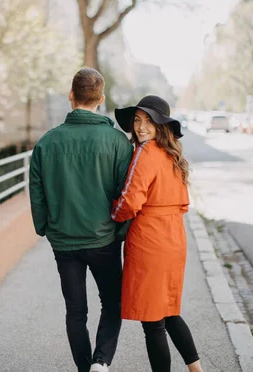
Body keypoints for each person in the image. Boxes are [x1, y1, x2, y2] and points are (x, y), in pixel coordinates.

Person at [29, 68, 134, 372]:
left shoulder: (47, 143)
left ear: (71, 96)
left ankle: (85, 368)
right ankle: (101, 362)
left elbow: (36, 192)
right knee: (111, 303)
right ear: (101, 99)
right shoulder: (116, 142)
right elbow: (126, 193)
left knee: (76, 311)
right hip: (104, 239)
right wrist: (121, 232)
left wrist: (44, 228)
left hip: (64, 241)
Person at [111, 95, 203, 372]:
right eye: (137, 121)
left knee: (153, 322)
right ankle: (197, 370)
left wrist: (114, 214)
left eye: (148, 121)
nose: (140, 127)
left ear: (161, 125)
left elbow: (130, 201)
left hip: (150, 241)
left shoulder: (147, 152)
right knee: (169, 311)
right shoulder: (172, 154)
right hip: (174, 238)